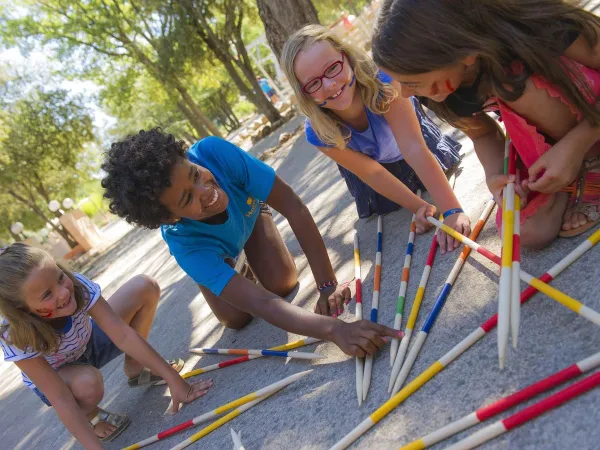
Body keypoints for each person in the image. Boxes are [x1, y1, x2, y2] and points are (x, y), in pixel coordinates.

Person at [101, 128, 399, 354]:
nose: (204, 190)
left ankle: (244, 249)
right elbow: (263, 305)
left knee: (283, 283)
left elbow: (293, 207)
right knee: (236, 317)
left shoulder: (214, 153)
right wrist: (334, 330)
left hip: (249, 216)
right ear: (169, 218)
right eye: (187, 198)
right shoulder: (184, 243)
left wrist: (327, 285)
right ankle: (220, 270)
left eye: (194, 174)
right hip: (211, 251)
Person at [372, 0, 600, 247]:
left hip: (590, 115)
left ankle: (591, 161)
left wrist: (576, 146)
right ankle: (572, 172)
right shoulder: (436, 83)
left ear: (463, 53)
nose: (406, 94)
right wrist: (497, 178)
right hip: (553, 138)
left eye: (412, 83)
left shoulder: (537, 25)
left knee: (513, 85)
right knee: (528, 232)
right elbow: (483, 135)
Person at [281, 24, 471, 254]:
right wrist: (419, 207)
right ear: (303, 93)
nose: (329, 85)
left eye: (332, 68)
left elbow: (414, 148)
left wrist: (451, 210)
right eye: (313, 83)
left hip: (414, 143)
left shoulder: (383, 81)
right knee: (388, 204)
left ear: (348, 57)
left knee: (429, 171)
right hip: (373, 167)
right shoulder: (318, 131)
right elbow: (372, 173)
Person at [0, 244, 212, 449]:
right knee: (88, 383)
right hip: (62, 377)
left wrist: (175, 381)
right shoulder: (15, 334)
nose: (63, 292)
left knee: (144, 286)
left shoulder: (75, 285)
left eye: (60, 277)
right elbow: (60, 397)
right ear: (21, 309)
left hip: (88, 344)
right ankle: (90, 414)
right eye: (47, 294)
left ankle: (136, 368)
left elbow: (122, 334)